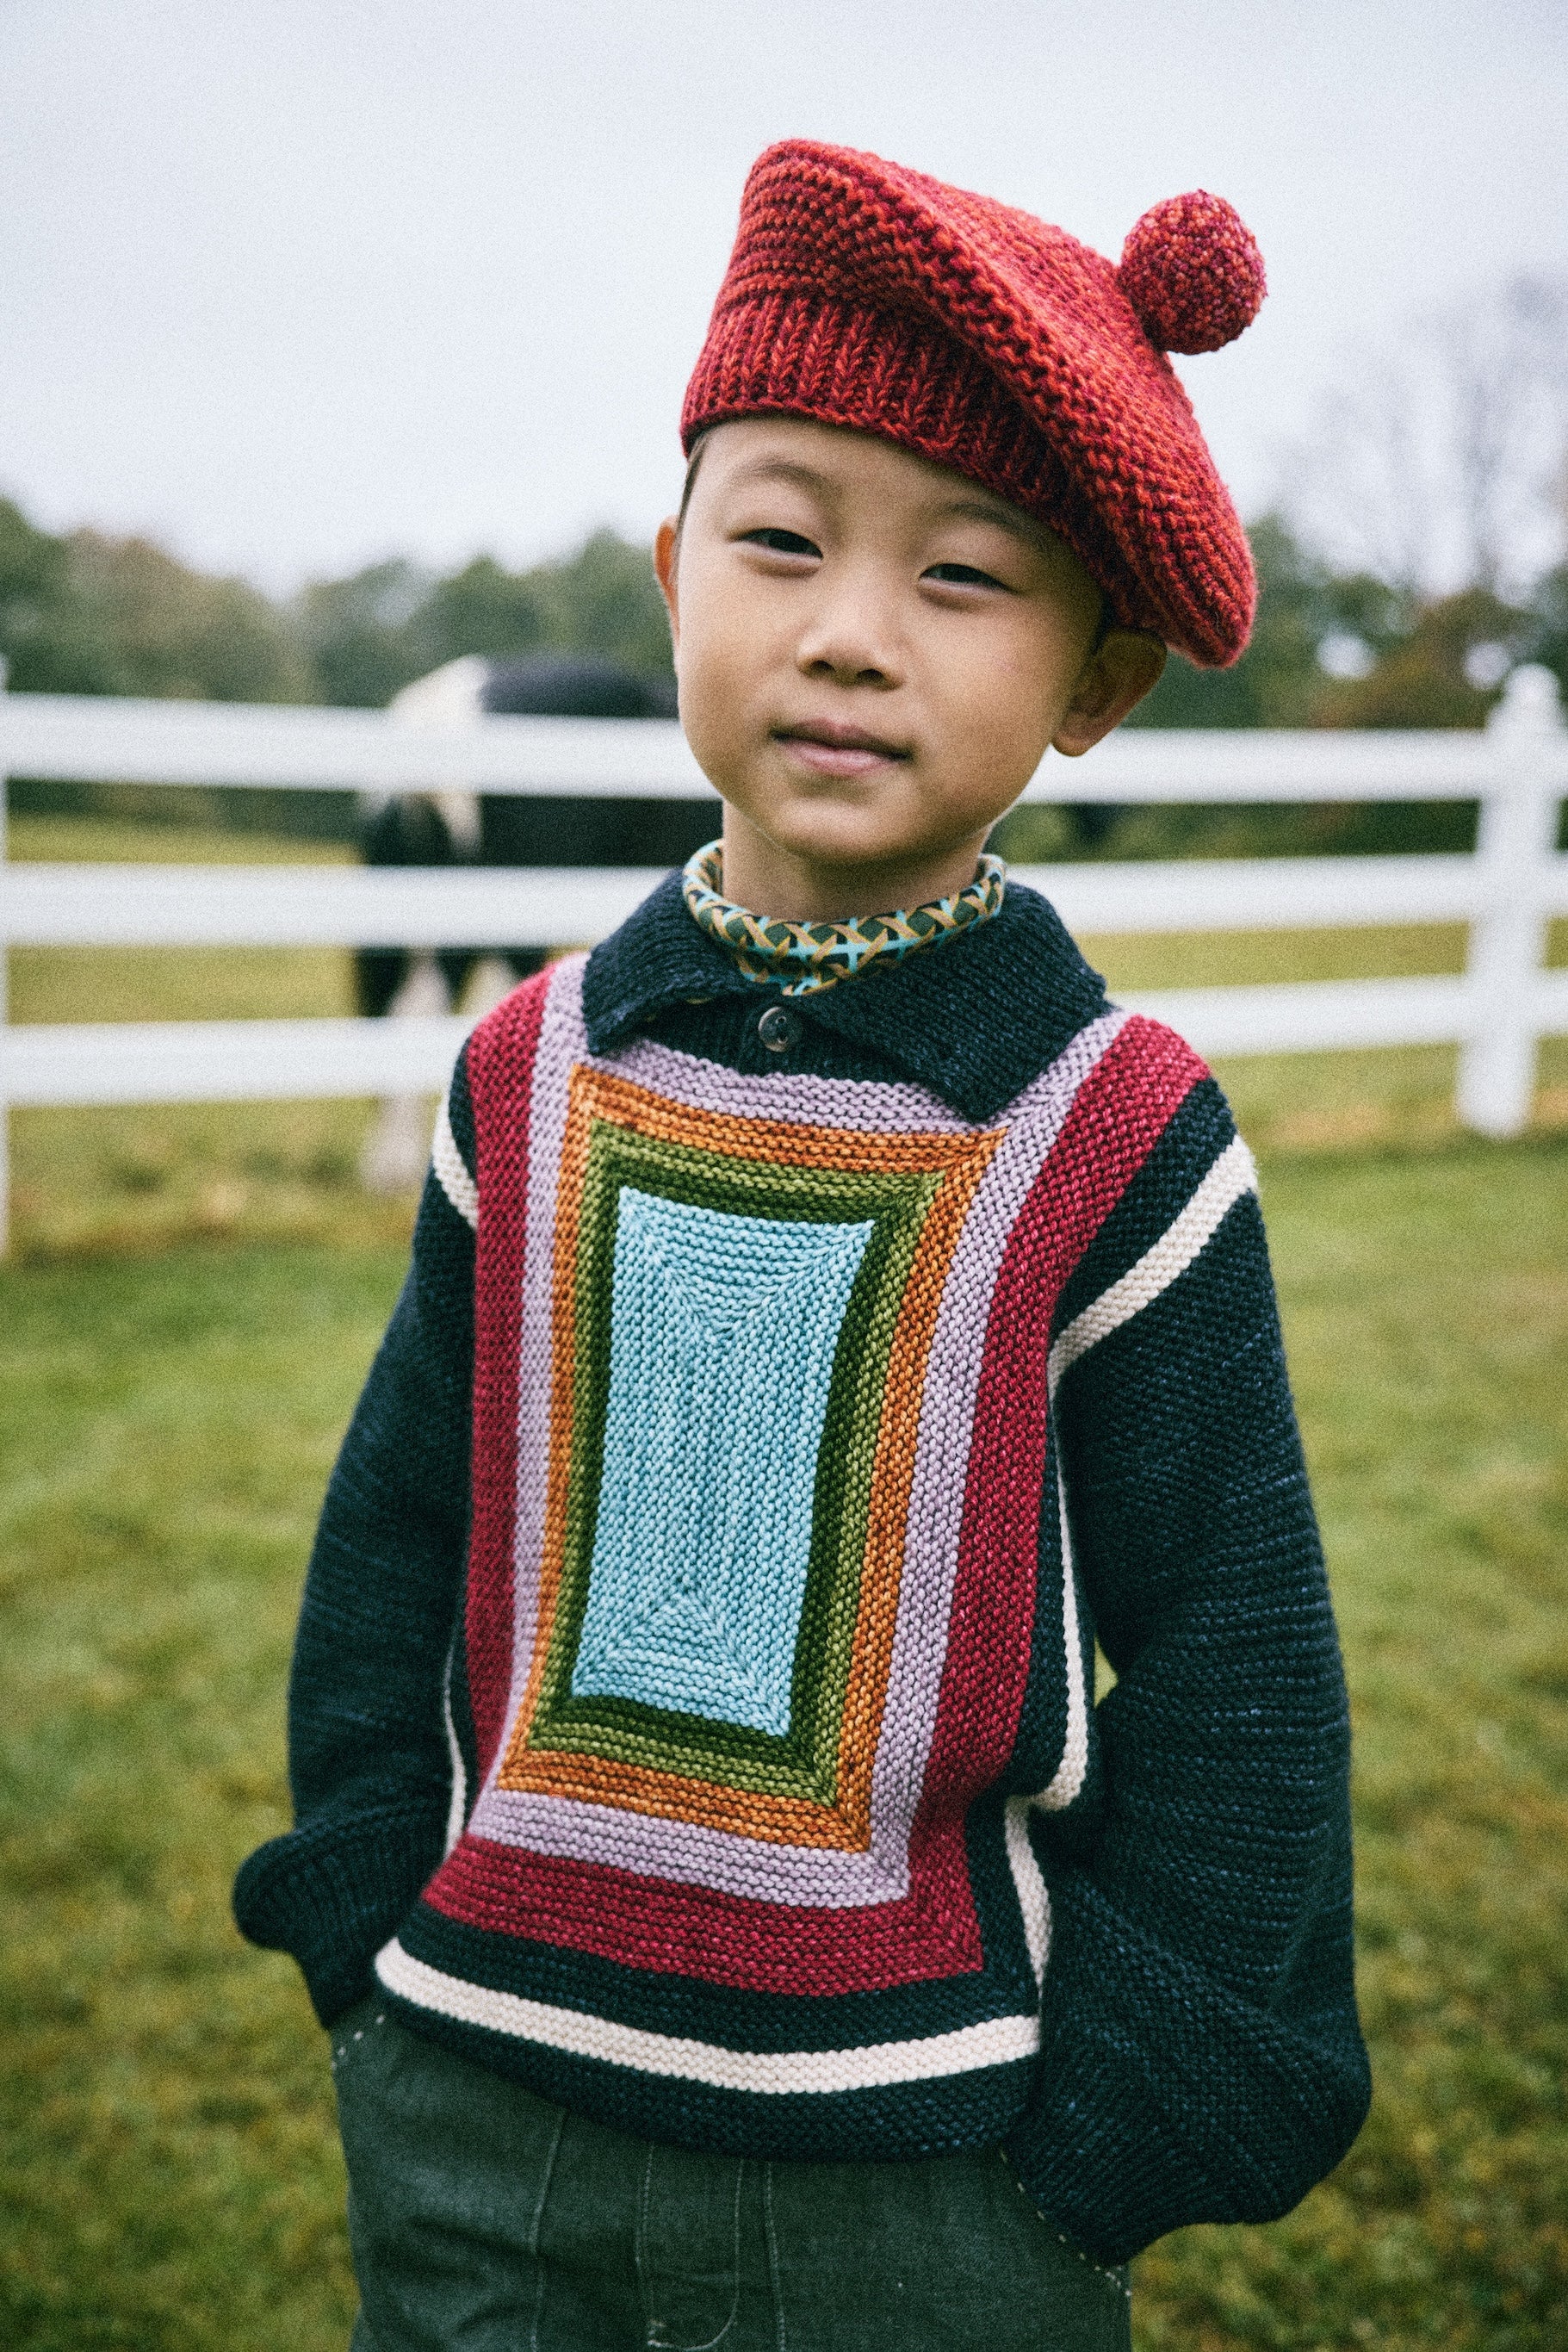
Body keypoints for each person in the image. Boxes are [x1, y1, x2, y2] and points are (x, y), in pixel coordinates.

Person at [235, 141, 1370, 2350]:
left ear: (1095, 682)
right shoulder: (523, 1079)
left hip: (934, 2186)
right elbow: (392, 1537)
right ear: (674, 576)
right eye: (778, 540)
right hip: (472, 2116)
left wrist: (1117, 2127)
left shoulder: (1109, 1133)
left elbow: (1238, 1666)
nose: (846, 631)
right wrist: (364, 1925)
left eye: (964, 576)